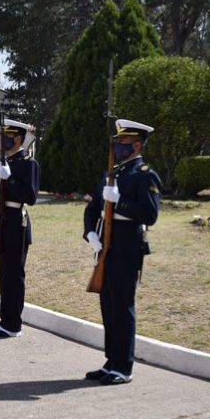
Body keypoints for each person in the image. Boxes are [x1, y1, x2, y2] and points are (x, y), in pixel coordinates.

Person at [83, 119, 161, 385]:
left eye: (123, 142)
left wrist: (120, 202)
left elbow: (150, 215)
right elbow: (92, 209)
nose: (117, 146)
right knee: (108, 305)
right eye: (116, 142)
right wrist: (90, 233)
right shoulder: (110, 173)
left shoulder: (145, 174)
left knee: (123, 305)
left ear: (137, 145)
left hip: (128, 246)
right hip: (105, 245)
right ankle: (111, 361)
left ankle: (124, 366)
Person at [0, 119, 40, 337]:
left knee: (14, 275)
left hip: (18, 222)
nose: (3, 140)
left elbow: (31, 196)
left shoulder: (28, 164)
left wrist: (11, 179)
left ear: (17, 138)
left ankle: (13, 324)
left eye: (6, 136)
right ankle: (4, 321)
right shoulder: (5, 162)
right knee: (5, 275)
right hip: (4, 223)